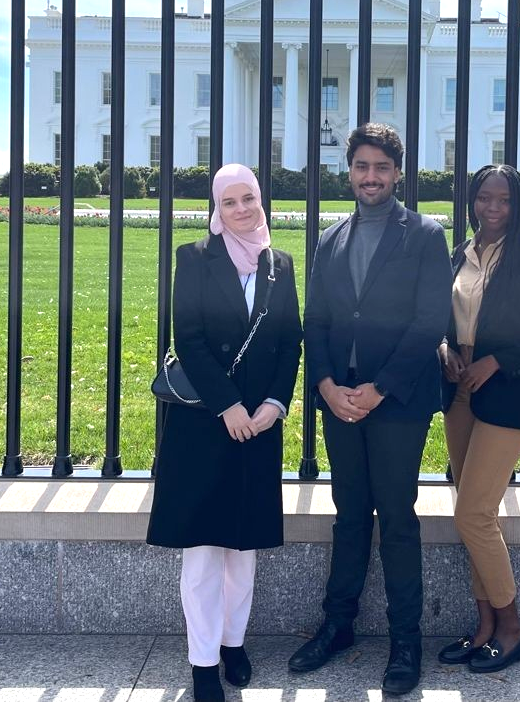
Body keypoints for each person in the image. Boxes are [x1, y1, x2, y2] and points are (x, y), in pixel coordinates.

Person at [288, 123, 452, 697]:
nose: (371, 177)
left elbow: (430, 321)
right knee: (349, 513)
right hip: (341, 398)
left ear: (399, 172)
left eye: (382, 168)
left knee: (398, 518)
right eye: (362, 167)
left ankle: (405, 639)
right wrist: (328, 386)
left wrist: (379, 389)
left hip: (397, 401)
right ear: (349, 171)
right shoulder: (331, 238)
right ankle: (338, 626)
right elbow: (320, 322)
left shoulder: (426, 235)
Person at [147, 163, 303, 702]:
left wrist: (274, 404)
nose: (241, 209)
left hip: (259, 424)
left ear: (262, 200)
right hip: (205, 423)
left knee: (244, 546)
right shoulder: (193, 258)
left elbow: (290, 343)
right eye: (230, 201)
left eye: (249, 198)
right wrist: (228, 406)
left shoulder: (279, 264)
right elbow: (186, 338)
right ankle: (203, 661)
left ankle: (234, 642)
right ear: (216, 206)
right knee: (203, 552)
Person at [436, 164, 520, 673]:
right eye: (484, 199)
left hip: (506, 398)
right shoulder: (458, 255)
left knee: (472, 513)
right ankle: (485, 627)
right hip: (459, 394)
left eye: (504, 201)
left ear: (518, 206)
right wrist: (444, 348)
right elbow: (445, 320)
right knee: (477, 516)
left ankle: (513, 627)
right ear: (472, 202)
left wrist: (497, 361)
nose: (493, 209)